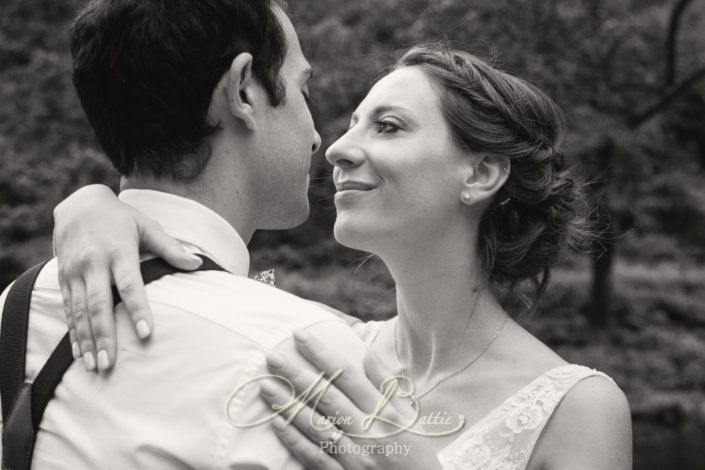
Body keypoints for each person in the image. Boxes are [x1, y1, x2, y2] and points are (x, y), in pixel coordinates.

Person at [50, 44, 633, 470]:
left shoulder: (579, 407)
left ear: (479, 173)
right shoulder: (323, 345)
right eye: (352, 124)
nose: (336, 148)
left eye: (388, 126)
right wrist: (94, 205)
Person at [0, 0, 414, 468]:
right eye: (303, 89)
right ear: (242, 91)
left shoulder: (20, 304)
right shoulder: (298, 354)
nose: (321, 139)